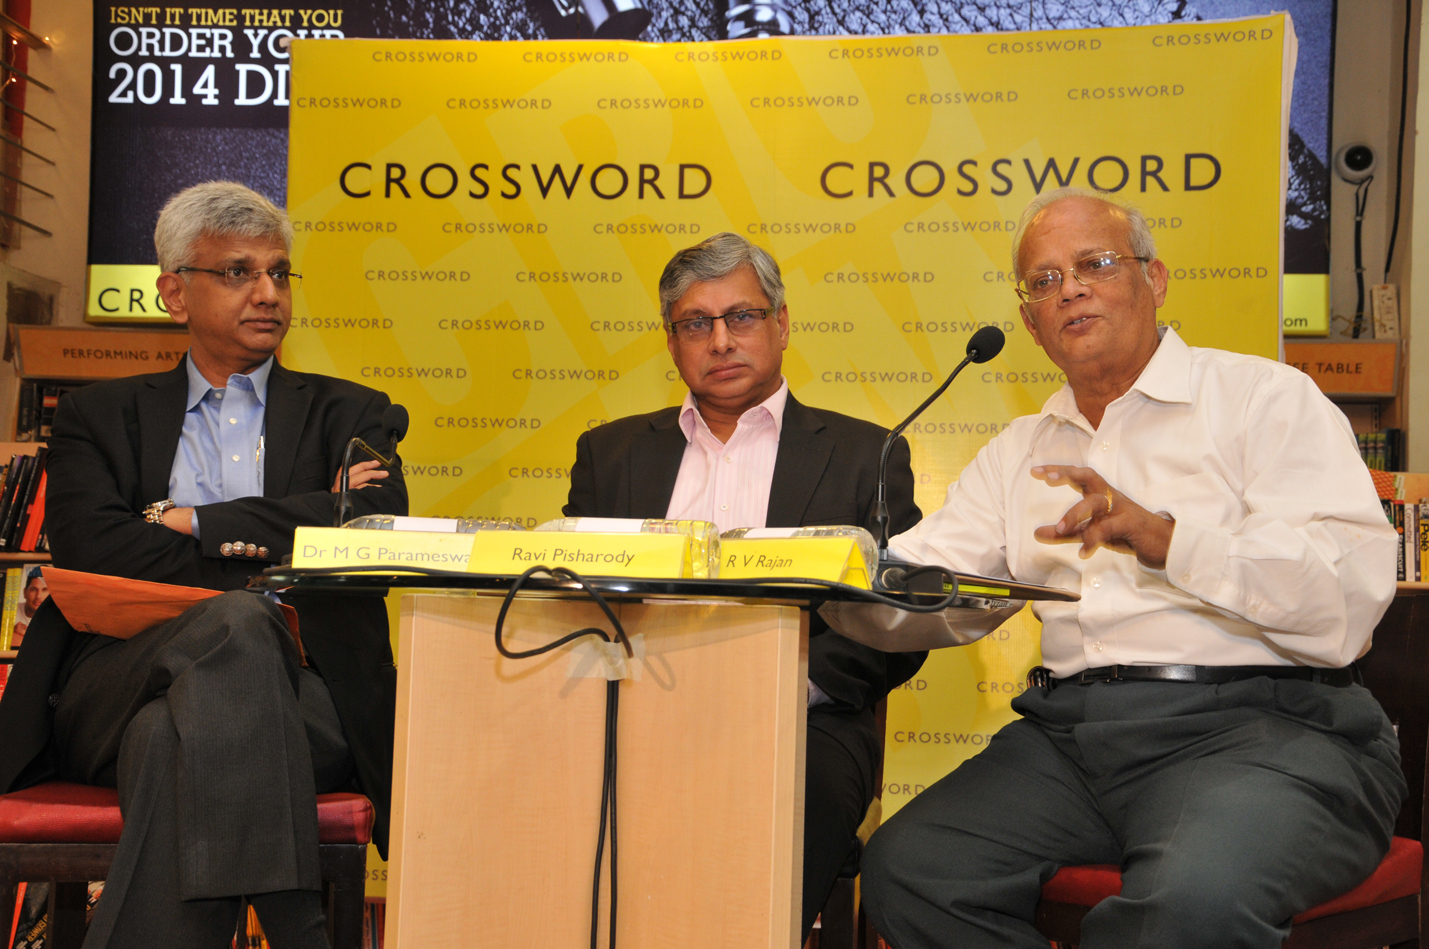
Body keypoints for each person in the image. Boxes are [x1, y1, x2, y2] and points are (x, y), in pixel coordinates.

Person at [842, 187, 1406, 949]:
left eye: (1095, 264)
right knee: (911, 868)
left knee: (1190, 903)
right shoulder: (1017, 451)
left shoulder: (1260, 399)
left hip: (1268, 728)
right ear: (1030, 323)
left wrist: (1169, 541)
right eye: (1043, 281)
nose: (1069, 289)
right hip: (1070, 741)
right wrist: (814, 574)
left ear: (1155, 279)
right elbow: (921, 584)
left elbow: (1346, 595)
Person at [0, 182, 408, 949]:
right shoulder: (99, 416)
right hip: (114, 680)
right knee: (239, 622)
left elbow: (371, 534)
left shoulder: (352, 413)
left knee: (171, 736)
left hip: (304, 695)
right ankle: (298, 921)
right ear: (174, 292)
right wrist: (286, 539)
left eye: (279, 272)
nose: (268, 293)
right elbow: (93, 547)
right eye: (238, 272)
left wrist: (193, 522)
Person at [564, 231, 926, 939]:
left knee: (800, 795)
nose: (721, 340)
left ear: (781, 323)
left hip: (804, 722)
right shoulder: (610, 454)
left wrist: (789, 684)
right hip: (630, 709)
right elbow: (574, 602)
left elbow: (898, 618)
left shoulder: (864, 456)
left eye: (742, 316)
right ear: (672, 341)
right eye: (696, 323)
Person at [11, 566, 47, 647]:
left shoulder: (57, 616)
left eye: (44, 590)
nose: (38, 596)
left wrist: (27, 634)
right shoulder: (10, 612)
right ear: (25, 592)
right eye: (33, 589)